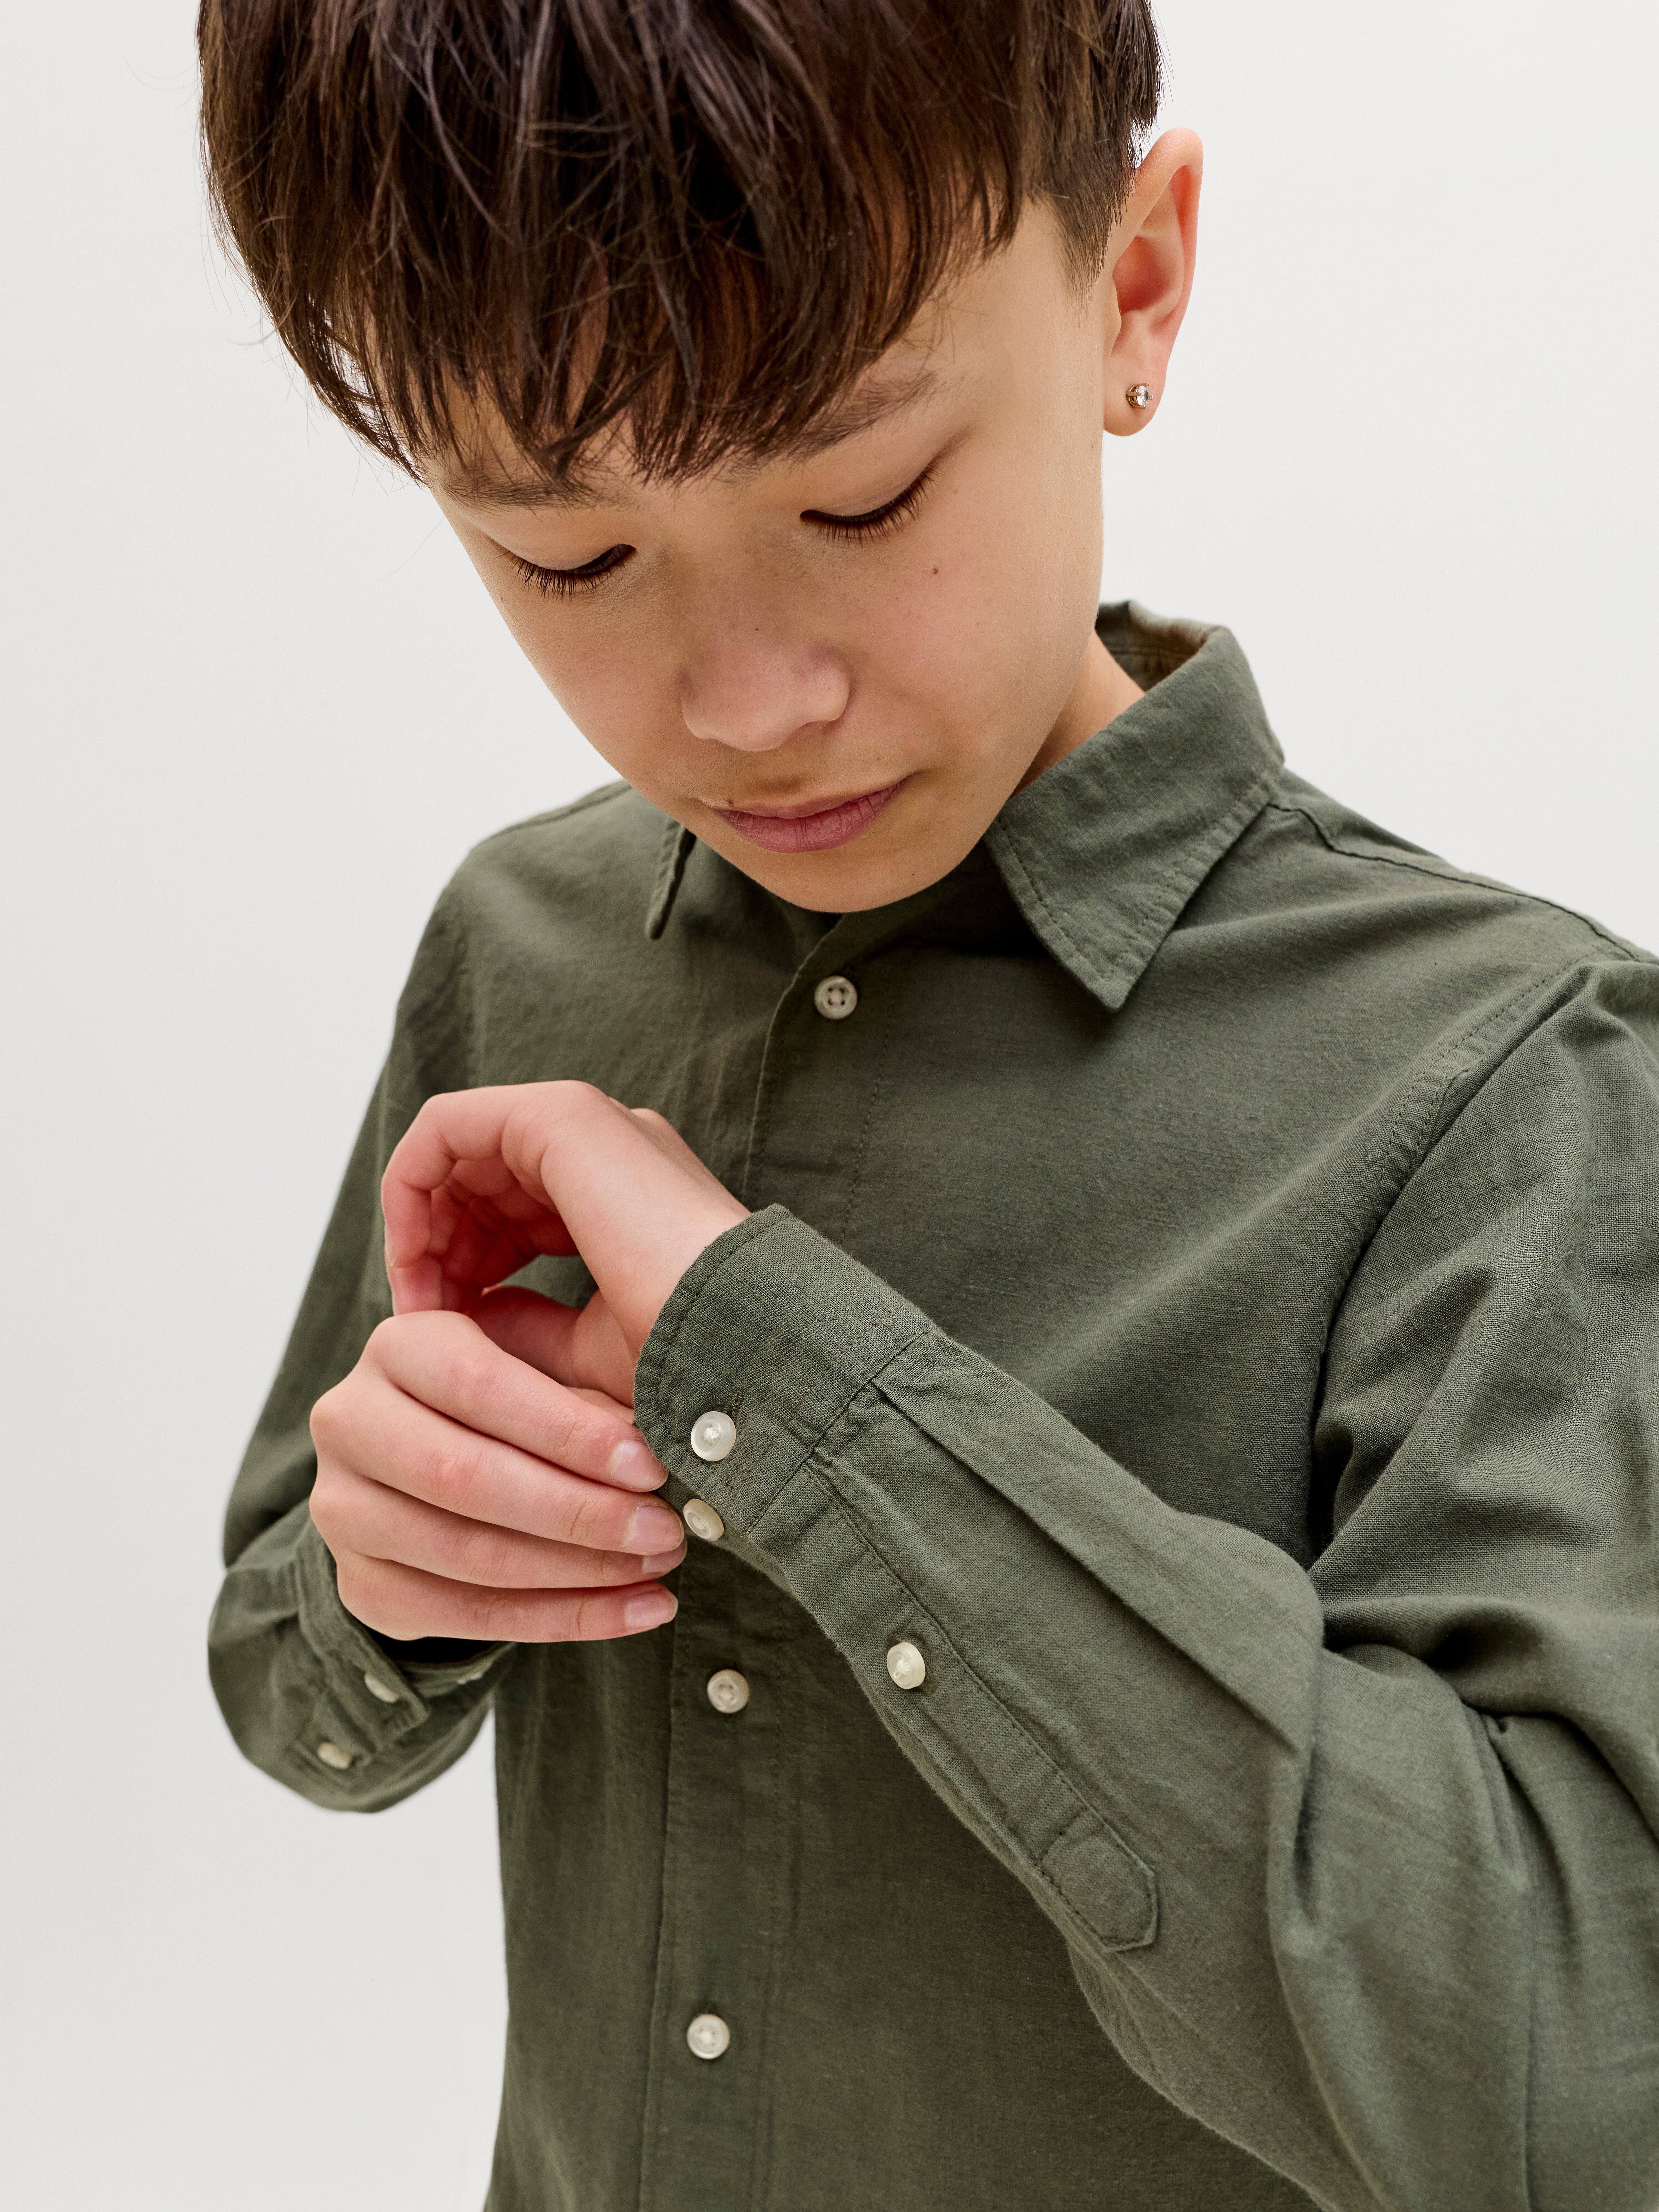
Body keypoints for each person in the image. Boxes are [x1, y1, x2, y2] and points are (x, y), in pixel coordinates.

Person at [198, 3, 1659, 2207]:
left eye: (863, 495)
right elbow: (285, 1680)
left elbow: (1562, 2086)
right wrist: (391, 1576)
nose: (746, 705)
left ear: (1133, 288)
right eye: (563, 551)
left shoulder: (1514, 1074)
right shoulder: (523, 940)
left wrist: (776, 1371)